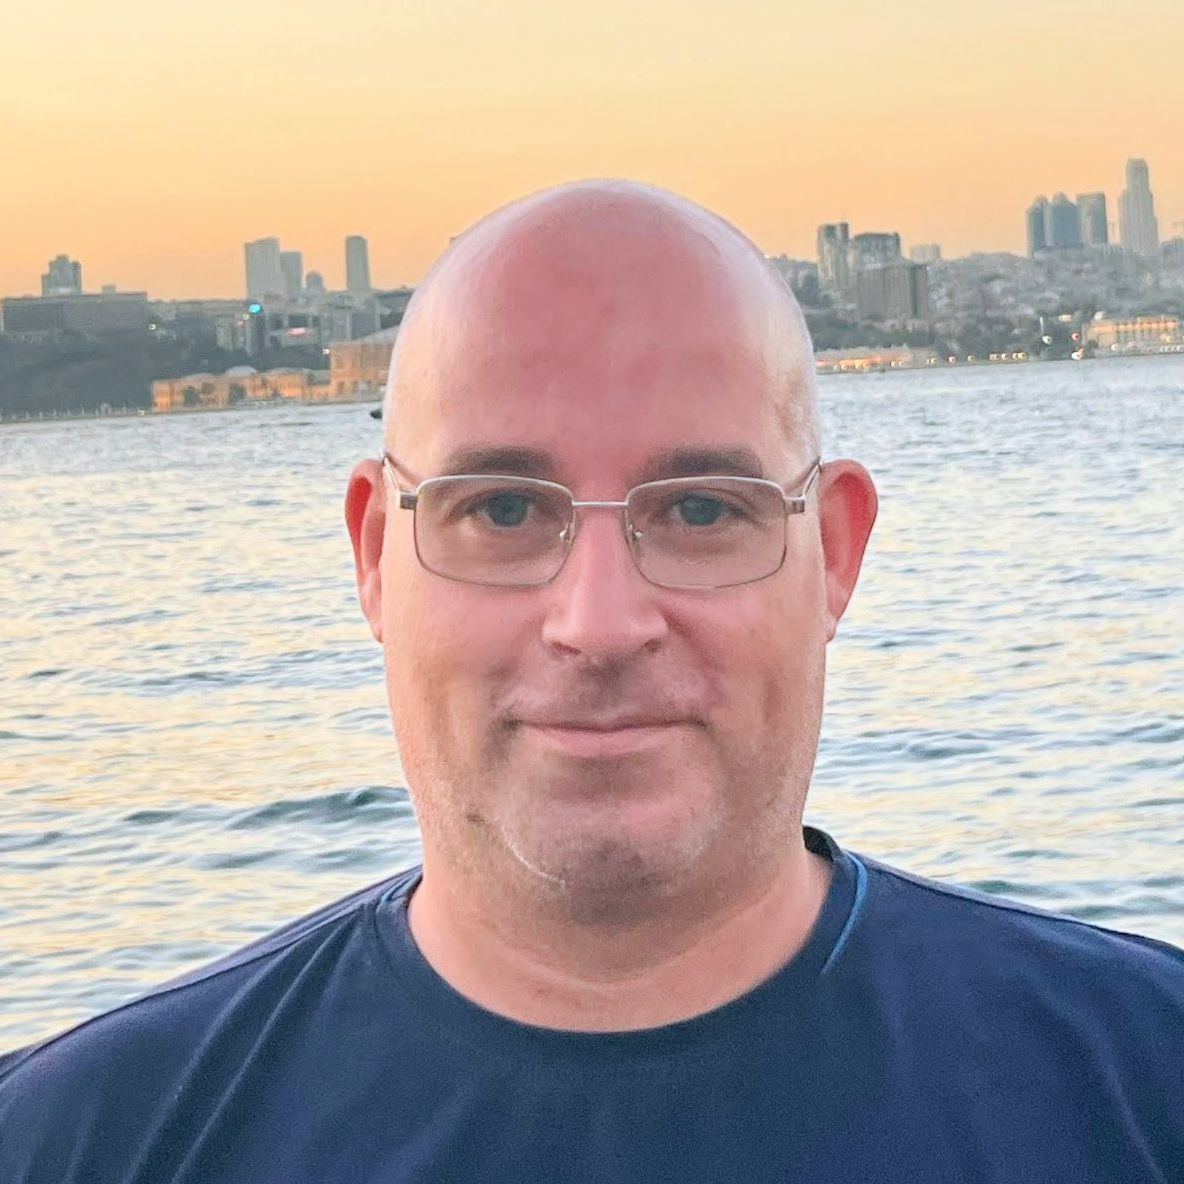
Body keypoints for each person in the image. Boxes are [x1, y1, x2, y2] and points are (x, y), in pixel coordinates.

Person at [1, 181, 1181, 1183]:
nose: (600, 622)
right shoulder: (84, 1142)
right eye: (502, 510)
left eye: (704, 509)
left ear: (832, 552)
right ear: (374, 554)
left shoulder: (1140, 1090)